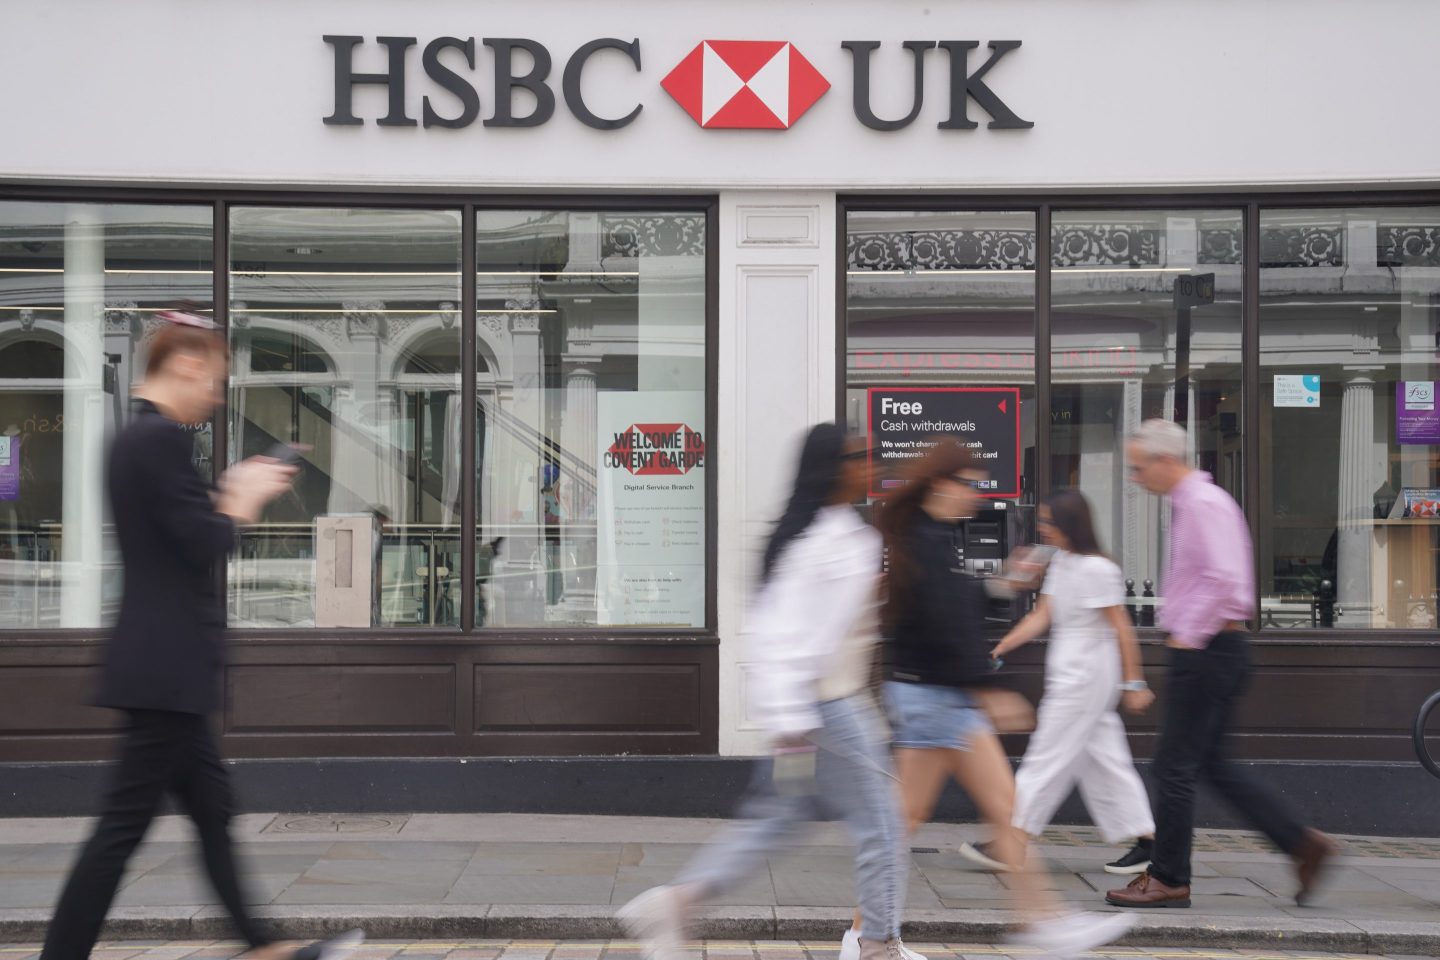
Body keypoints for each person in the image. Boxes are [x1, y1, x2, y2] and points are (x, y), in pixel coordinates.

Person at [41, 314, 363, 960]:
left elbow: (173, 536)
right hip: (164, 668)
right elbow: (200, 543)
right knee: (121, 831)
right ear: (185, 366)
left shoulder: (138, 438)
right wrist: (241, 498)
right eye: (214, 382)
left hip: (164, 666)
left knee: (210, 812)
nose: (216, 397)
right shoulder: (157, 441)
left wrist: (223, 496)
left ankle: (266, 948)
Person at [619, 424, 910, 960]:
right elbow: (783, 633)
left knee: (781, 818)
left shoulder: (839, 533)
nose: (871, 462)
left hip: (814, 710)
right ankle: (877, 945)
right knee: (884, 825)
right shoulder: (823, 543)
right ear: (832, 468)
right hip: (828, 711)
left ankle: (678, 902)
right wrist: (794, 719)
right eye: (859, 455)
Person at [850, 438, 1132, 958]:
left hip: (933, 695)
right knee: (967, 817)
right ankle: (1035, 925)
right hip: (937, 697)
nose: (975, 496)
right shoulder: (927, 539)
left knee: (971, 817)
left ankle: (1033, 923)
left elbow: (952, 608)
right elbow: (943, 625)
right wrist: (988, 688)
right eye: (969, 484)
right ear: (941, 483)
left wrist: (1001, 586)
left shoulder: (927, 535)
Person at [1106, 419, 1336, 909]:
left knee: (1173, 768)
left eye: (1139, 467)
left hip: (1207, 651)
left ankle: (1168, 876)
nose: (1135, 476)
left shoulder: (1204, 505)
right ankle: (1301, 843)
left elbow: (1229, 583)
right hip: (1212, 651)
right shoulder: (1192, 504)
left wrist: (1187, 634)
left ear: (1166, 461)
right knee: (1211, 766)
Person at [977, 489, 1156, 875]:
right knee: (1106, 761)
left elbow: (1122, 629)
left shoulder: (1097, 569)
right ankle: (1149, 841)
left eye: (1048, 522)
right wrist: (1002, 647)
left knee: (1046, 755)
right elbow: (1043, 615)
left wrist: (1134, 683)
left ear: (1070, 525)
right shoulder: (1063, 563)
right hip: (1070, 675)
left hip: (1086, 678)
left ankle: (1014, 839)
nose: (1042, 528)